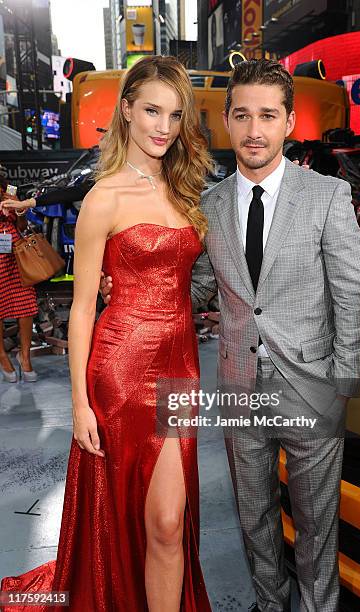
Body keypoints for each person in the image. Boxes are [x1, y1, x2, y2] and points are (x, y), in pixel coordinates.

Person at [101, 59, 360, 612]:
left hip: (312, 386)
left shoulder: (325, 196)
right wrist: (131, 285)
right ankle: (270, 604)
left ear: (290, 122)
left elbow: (353, 292)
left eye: (268, 116)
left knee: (318, 524)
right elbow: (196, 285)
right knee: (254, 516)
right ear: (225, 120)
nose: (254, 130)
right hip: (240, 386)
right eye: (243, 115)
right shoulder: (211, 205)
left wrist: (345, 382)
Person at [1, 56, 212, 611]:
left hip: (180, 370)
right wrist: (79, 404)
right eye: (150, 110)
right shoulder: (104, 197)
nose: (162, 126)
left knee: (169, 521)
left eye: (172, 114)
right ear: (126, 111)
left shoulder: (190, 192)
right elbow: (81, 308)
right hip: (119, 369)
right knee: (131, 513)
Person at [0, 175, 38, 383]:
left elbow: (22, 226)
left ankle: (24, 355)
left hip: (15, 251)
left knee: (26, 303)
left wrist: (18, 209)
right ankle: (2, 355)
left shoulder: (9, 188)